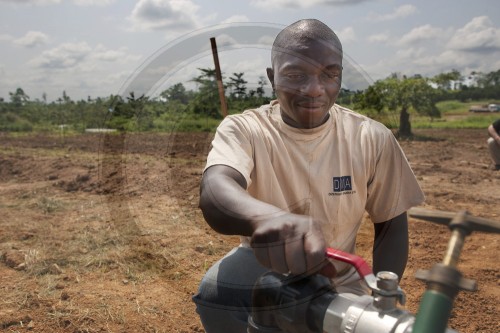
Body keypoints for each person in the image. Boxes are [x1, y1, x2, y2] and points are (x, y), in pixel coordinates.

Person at [192, 18, 425, 332]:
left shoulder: (371, 137)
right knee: (214, 293)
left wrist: (381, 297)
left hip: (338, 279)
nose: (314, 89)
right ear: (273, 77)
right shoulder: (245, 128)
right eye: (295, 74)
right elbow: (216, 190)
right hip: (264, 268)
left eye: (329, 74)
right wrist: (268, 218)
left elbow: (391, 224)